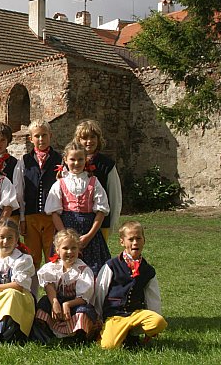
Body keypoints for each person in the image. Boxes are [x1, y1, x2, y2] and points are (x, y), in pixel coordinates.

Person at [94, 221, 167, 349]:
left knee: (159, 322)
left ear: (144, 240)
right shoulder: (111, 265)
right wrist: (98, 316)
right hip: (115, 315)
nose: (135, 243)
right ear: (122, 242)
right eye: (131, 239)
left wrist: (154, 323)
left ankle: (132, 333)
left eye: (138, 238)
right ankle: (111, 334)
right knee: (108, 346)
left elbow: (153, 297)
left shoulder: (148, 270)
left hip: (136, 313)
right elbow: (101, 291)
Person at [45, 141, 110, 276]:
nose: (76, 163)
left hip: (89, 235)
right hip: (66, 230)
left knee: (94, 272)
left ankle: (91, 296)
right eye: (72, 159)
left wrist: (89, 236)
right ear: (65, 160)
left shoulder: (93, 182)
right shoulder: (60, 183)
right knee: (66, 269)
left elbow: (101, 211)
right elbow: (54, 213)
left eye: (80, 159)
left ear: (86, 159)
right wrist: (65, 237)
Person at [33, 229, 97, 343]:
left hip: (75, 304)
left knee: (83, 311)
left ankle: (78, 336)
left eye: (73, 248)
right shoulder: (52, 267)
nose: (69, 252)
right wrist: (55, 302)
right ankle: (46, 333)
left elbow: (84, 297)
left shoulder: (83, 270)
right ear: (57, 250)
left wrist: (67, 304)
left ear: (79, 249)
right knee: (43, 304)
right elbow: (49, 285)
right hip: (57, 302)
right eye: (65, 248)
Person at [21, 120, 62, 267]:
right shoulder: (24, 161)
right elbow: (21, 190)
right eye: (37, 136)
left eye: (44, 135)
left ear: (50, 136)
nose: (41, 139)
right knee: (32, 258)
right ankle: (32, 290)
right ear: (30, 138)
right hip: (31, 215)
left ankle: (53, 289)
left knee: (53, 256)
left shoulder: (60, 160)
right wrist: (22, 218)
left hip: (52, 217)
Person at [75, 119, 122, 241]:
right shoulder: (71, 163)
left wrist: (112, 224)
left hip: (101, 223)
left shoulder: (107, 165)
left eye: (92, 137)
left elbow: (114, 197)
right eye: (84, 138)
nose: (89, 141)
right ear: (78, 140)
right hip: (75, 222)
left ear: (98, 139)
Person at [0, 123, 23, 231]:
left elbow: (18, 190)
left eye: (3, 140)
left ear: (8, 141)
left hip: (10, 212)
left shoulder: (15, 163)